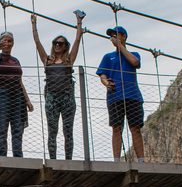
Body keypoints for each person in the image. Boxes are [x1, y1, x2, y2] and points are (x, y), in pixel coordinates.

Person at [30, 12, 85, 159]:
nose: (57, 45)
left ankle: (69, 160)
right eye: (55, 43)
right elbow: (37, 43)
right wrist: (34, 24)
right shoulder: (47, 60)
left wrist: (79, 22)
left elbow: (78, 40)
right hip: (52, 97)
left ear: (65, 46)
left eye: (60, 43)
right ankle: (53, 160)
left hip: (67, 98)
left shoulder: (69, 60)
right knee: (52, 130)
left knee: (68, 131)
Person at [96, 26, 145, 162]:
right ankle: (116, 160)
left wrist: (121, 47)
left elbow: (135, 63)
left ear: (123, 36)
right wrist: (106, 83)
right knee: (116, 128)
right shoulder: (108, 57)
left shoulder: (134, 54)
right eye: (111, 35)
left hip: (133, 96)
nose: (113, 37)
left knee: (135, 128)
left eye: (116, 35)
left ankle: (141, 160)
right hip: (115, 96)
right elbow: (102, 75)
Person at [0, 32, 34, 157]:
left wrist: (27, 101)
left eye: (9, 41)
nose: (7, 43)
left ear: (13, 43)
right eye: (4, 41)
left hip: (17, 95)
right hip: (1, 95)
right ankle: (1, 157)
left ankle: (18, 157)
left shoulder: (15, 60)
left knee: (17, 129)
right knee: (2, 128)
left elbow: (20, 81)